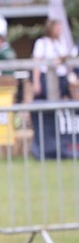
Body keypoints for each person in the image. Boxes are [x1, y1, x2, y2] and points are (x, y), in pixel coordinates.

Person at [29, 19, 77, 160]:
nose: (59, 30)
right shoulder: (42, 43)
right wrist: (36, 82)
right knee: (48, 108)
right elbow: (37, 63)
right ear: (50, 28)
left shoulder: (60, 42)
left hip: (61, 78)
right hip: (47, 79)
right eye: (57, 28)